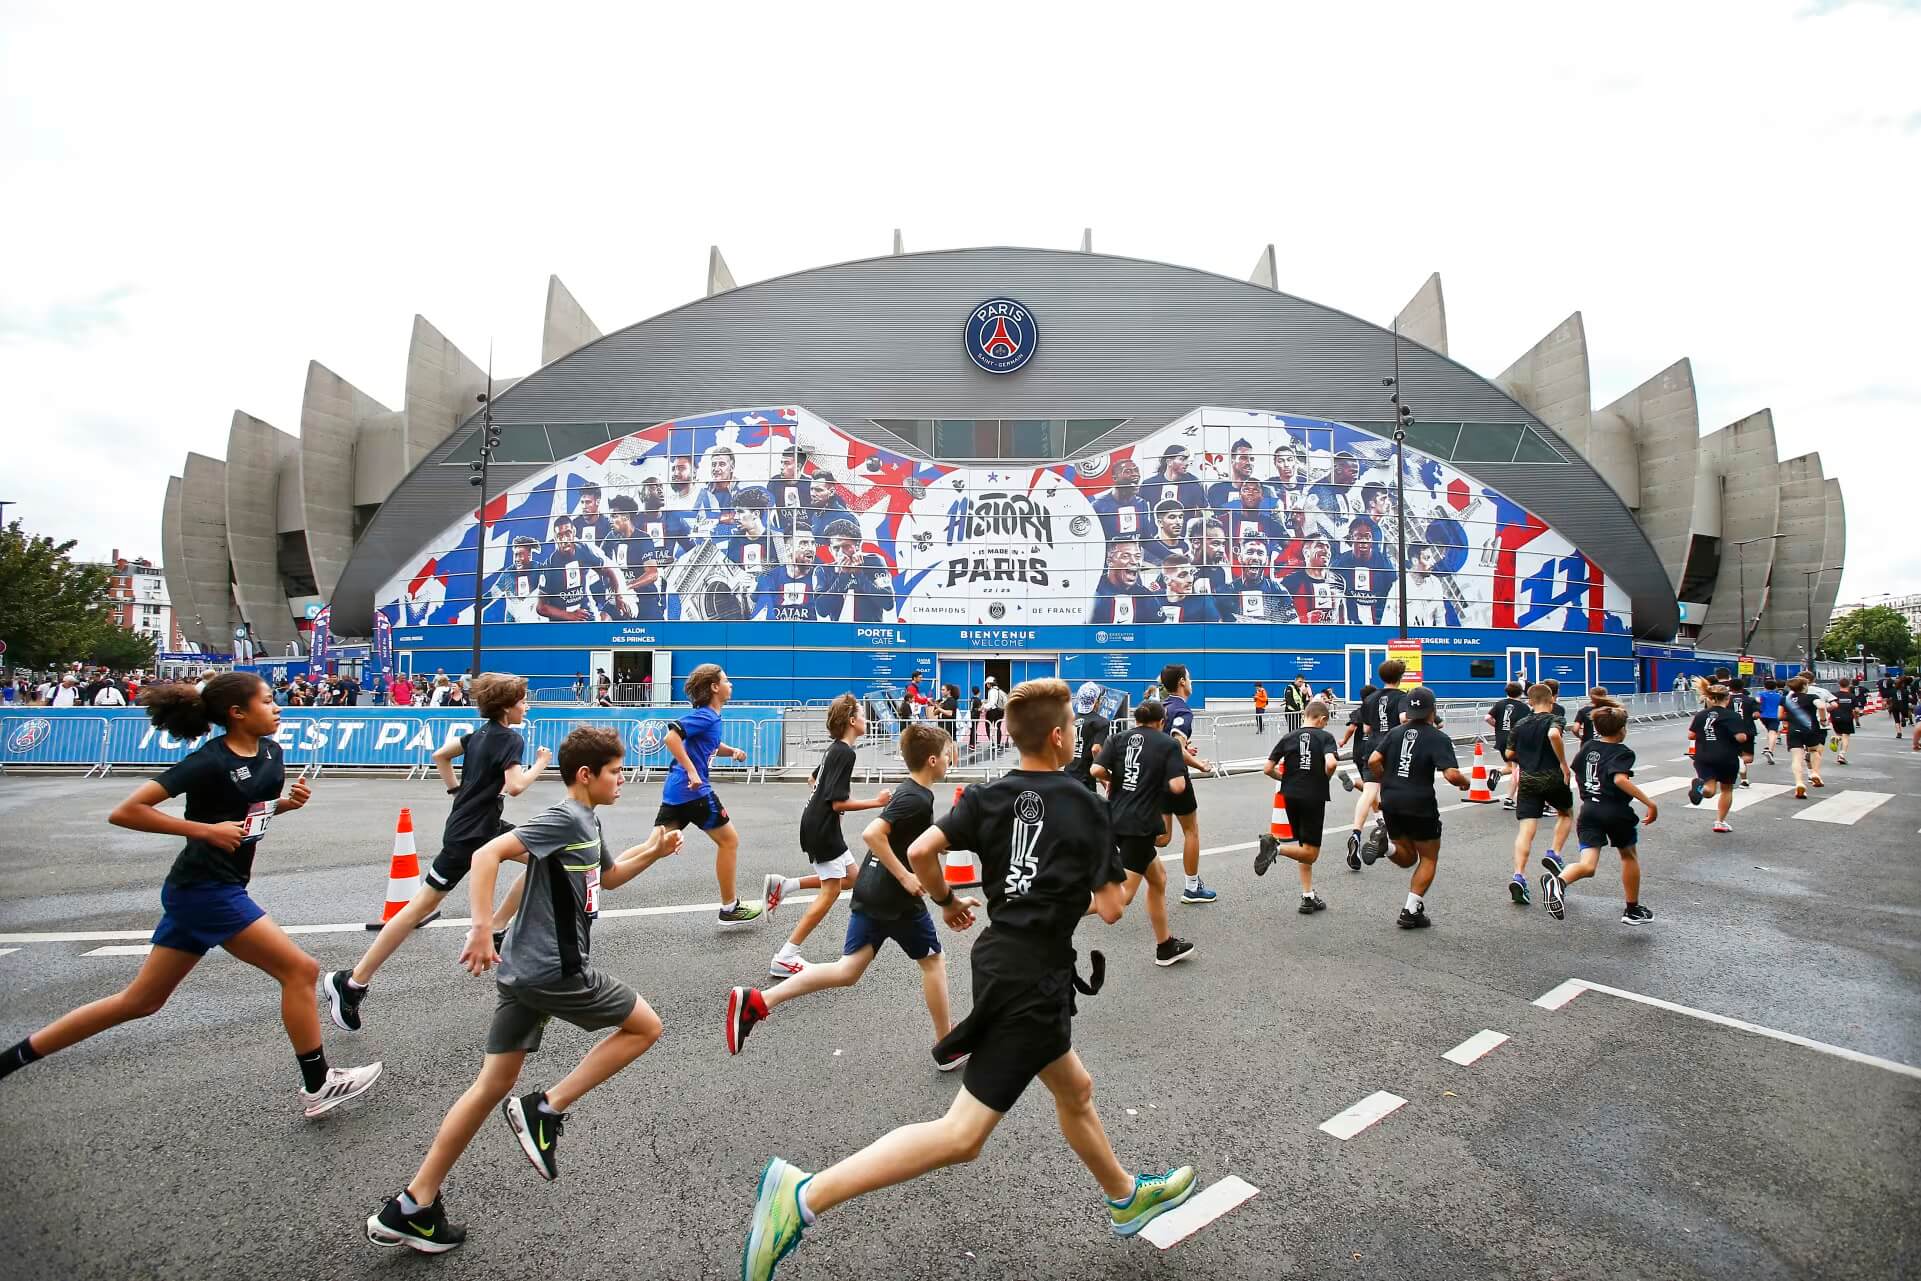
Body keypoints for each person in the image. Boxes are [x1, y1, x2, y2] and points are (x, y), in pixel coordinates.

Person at [740, 679, 1197, 1280]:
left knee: (1074, 1088)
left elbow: (926, 850)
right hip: (1033, 974)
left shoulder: (986, 796)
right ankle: (801, 1196)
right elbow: (1111, 906)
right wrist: (1055, 899)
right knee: (962, 1135)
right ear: (1060, 736)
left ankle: (1123, 1195)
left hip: (999, 957)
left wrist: (947, 897)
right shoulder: (1083, 802)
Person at [0, 675, 382, 1116]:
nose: (277, 707)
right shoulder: (208, 761)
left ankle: (9, 1060)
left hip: (211, 888)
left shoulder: (272, 752)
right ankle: (319, 1085)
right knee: (300, 970)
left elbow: (244, 812)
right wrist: (202, 830)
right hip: (205, 889)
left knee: (140, 1001)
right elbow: (126, 811)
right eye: (266, 701)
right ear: (237, 713)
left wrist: (283, 806)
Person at [365, 728, 682, 1253]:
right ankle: (545, 1108)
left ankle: (413, 1204)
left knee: (491, 1085)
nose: (623, 779)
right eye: (616, 771)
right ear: (587, 775)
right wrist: (479, 927)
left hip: (523, 970)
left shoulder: (586, 820)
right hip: (554, 970)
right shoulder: (563, 817)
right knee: (647, 1026)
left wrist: (656, 850)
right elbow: (487, 854)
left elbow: (612, 875)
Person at [323, 674, 551, 1029]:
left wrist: (455, 791)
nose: (527, 706)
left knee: (546, 858)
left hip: (477, 827)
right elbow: (516, 786)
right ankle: (352, 982)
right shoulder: (510, 738)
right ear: (507, 707)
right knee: (419, 908)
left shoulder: (478, 735)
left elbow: (440, 756)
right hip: (472, 835)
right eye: (523, 701)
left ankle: (496, 927)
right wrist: (541, 762)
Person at [730, 722, 962, 1063]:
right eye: (945, 755)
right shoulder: (915, 796)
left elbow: (918, 838)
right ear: (931, 760)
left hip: (871, 891)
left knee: (847, 971)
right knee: (933, 961)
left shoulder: (912, 793)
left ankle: (759, 1001)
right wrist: (906, 878)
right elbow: (873, 834)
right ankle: (947, 1046)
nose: (949, 761)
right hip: (895, 899)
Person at [763, 694, 892, 977]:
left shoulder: (835, 749)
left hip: (820, 824)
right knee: (831, 890)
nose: (867, 719)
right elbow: (837, 802)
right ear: (851, 720)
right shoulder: (846, 752)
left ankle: (785, 886)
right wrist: (877, 802)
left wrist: (828, 805)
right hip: (822, 828)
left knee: (852, 878)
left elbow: (814, 780)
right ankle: (786, 955)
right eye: (862, 713)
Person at [655, 663, 765, 926]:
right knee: (729, 841)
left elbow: (711, 744)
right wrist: (693, 772)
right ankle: (730, 907)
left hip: (676, 791)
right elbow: (671, 738)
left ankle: (604, 871)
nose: (731, 685)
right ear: (715, 687)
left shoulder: (710, 719)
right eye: (726, 681)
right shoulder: (706, 716)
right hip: (695, 791)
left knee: (654, 846)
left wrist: (733, 751)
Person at [1090, 700, 1195, 965]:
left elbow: (1096, 769)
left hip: (1116, 816)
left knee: (1158, 879)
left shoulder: (1118, 738)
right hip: (1140, 824)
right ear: (1161, 722)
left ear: (1136, 720)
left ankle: (1165, 946)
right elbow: (1178, 786)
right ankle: (1058, 909)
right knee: (1121, 898)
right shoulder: (1167, 743)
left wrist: (1115, 781)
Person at [1540, 706, 1658, 925]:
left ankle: (1559, 882)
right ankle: (1632, 909)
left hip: (1589, 810)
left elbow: (1576, 768)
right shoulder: (1623, 752)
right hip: (1615, 811)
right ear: (1622, 729)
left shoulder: (1587, 747)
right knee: (1628, 855)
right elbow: (1620, 780)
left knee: (1588, 865)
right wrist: (1649, 802)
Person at [1365, 687, 1469, 929]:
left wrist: (1386, 779)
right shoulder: (1438, 738)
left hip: (1391, 802)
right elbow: (1452, 774)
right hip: (1420, 804)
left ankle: (1386, 847)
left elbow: (1373, 761)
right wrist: (1465, 783)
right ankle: (1410, 910)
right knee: (1428, 857)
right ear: (1432, 711)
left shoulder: (1395, 732)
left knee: (1406, 857)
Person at [1256, 698, 1343, 914]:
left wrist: (1285, 780)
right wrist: (1325, 778)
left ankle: (1307, 895)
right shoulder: (1325, 737)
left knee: (1304, 847)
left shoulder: (1288, 737)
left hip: (1290, 795)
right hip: (1313, 796)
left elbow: (1267, 769)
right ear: (1322, 719)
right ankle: (1275, 848)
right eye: (1326, 722)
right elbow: (1331, 763)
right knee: (1311, 853)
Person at [1505, 683, 1574, 904]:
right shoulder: (1556, 719)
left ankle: (1519, 875)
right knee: (1566, 814)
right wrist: (1563, 763)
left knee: (1526, 829)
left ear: (1530, 702)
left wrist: (1525, 756)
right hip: (1553, 776)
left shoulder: (1521, 724)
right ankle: (1554, 852)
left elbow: (1509, 752)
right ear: (1552, 699)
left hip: (1528, 779)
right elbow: (1554, 735)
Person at [1156, 664, 1217, 905]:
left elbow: (1165, 741)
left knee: (1162, 838)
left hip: (1155, 777)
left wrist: (1183, 748)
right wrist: (1199, 764)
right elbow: (1175, 747)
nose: (1192, 681)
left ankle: (1121, 843)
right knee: (1191, 830)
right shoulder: (1182, 710)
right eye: (1189, 677)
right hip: (1175, 776)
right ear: (1182, 681)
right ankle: (1192, 888)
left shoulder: (1161, 707)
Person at [1351, 658, 1412, 867]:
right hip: (1393, 748)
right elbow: (1404, 718)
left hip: (1372, 747)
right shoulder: (1402, 697)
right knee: (1398, 789)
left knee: (1369, 792)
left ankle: (1356, 833)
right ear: (1400, 677)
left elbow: (1366, 728)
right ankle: (1395, 832)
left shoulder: (1371, 698)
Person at [1685, 679, 1748, 833]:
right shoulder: (1732, 716)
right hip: (1726, 756)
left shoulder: (1701, 715)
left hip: (1704, 755)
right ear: (1727, 699)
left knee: (1710, 789)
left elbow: (1691, 735)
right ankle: (1720, 822)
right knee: (1726, 789)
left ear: (1710, 698)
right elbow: (1741, 738)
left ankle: (1701, 788)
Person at [1781, 674, 1827, 799]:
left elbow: (1780, 716)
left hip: (1793, 730)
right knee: (1814, 751)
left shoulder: (1785, 699)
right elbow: (1822, 706)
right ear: (1804, 686)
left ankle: (1799, 783)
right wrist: (1823, 719)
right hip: (1810, 729)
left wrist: (1791, 717)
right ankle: (1815, 773)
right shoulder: (1812, 697)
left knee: (1797, 757)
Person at [1486, 682, 1528, 810]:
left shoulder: (1500, 703)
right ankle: (1514, 799)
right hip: (1515, 740)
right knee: (1517, 769)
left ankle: (1499, 775)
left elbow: (1487, 717)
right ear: (1521, 692)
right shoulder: (1523, 707)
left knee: (1511, 767)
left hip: (1501, 739)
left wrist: (1497, 726)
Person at [1066, 682, 1112, 793]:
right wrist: (1104, 779)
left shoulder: (1070, 719)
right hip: (1085, 778)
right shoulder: (1101, 722)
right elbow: (1096, 749)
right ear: (1096, 701)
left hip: (1068, 774)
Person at [1828, 677, 1858, 765]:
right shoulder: (1851, 696)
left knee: (1839, 733)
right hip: (1847, 718)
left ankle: (1836, 738)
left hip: (1835, 718)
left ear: (1839, 684)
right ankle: (1841, 755)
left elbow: (1830, 706)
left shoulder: (1834, 695)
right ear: (1849, 685)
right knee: (1846, 736)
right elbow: (1856, 709)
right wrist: (1857, 714)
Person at [1757, 677, 1784, 763]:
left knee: (1769, 730)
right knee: (1773, 733)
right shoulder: (1779, 696)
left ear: (1764, 686)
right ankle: (1770, 751)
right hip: (1774, 716)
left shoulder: (1761, 694)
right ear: (1775, 687)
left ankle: (1767, 746)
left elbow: (1757, 701)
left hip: (1763, 716)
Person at [981, 677, 1008, 748]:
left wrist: (984, 707)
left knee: (987, 726)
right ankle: (998, 745)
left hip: (993, 711)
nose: (986, 685)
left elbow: (992, 702)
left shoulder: (992, 691)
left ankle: (992, 743)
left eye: (987, 683)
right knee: (998, 727)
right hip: (1000, 711)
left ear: (990, 684)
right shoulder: (1000, 690)